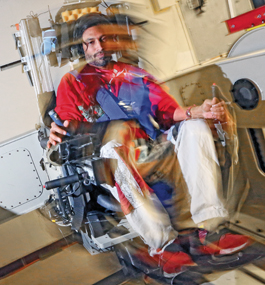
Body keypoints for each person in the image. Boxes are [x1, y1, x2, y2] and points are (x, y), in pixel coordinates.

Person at [47, 13, 250, 276]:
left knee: (194, 126)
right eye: (91, 42)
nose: (99, 47)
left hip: (151, 147)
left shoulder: (134, 74)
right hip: (113, 157)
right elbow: (69, 126)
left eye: (104, 39)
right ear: (81, 48)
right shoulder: (73, 82)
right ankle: (164, 246)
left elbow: (167, 112)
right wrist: (62, 131)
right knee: (111, 151)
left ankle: (210, 229)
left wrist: (197, 111)